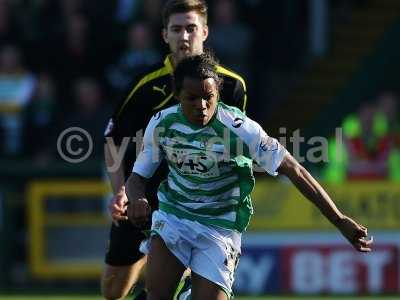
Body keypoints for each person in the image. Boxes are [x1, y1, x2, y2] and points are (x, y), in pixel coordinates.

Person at [126, 53, 373, 300]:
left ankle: (189, 292)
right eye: (192, 98)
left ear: (217, 95)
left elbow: (294, 169)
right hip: (175, 216)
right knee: (156, 294)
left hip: (219, 225)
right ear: (177, 95)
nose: (201, 105)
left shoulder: (240, 129)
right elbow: (137, 178)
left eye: (208, 97)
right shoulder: (161, 124)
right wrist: (137, 199)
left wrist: (339, 220)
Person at [102, 0, 247, 299]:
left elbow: (236, 148)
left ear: (205, 32)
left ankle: (178, 279)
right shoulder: (145, 86)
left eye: (191, 28)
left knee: (171, 282)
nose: (184, 36)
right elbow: (113, 139)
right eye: (176, 29)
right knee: (113, 291)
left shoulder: (231, 86)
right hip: (144, 196)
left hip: (193, 203)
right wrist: (121, 191)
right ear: (164, 35)